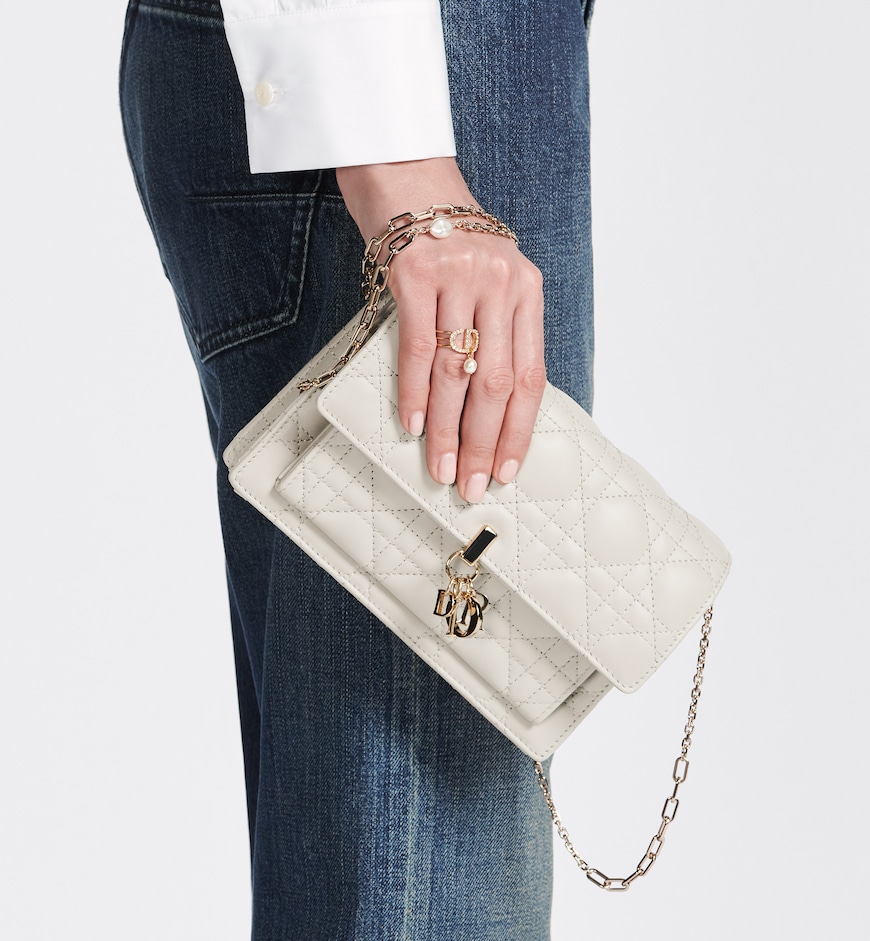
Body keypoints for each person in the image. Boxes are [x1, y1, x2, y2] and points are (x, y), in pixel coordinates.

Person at [119, 0, 595, 936]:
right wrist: (399, 162)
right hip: (421, 86)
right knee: (433, 878)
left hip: (425, 81)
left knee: (396, 854)